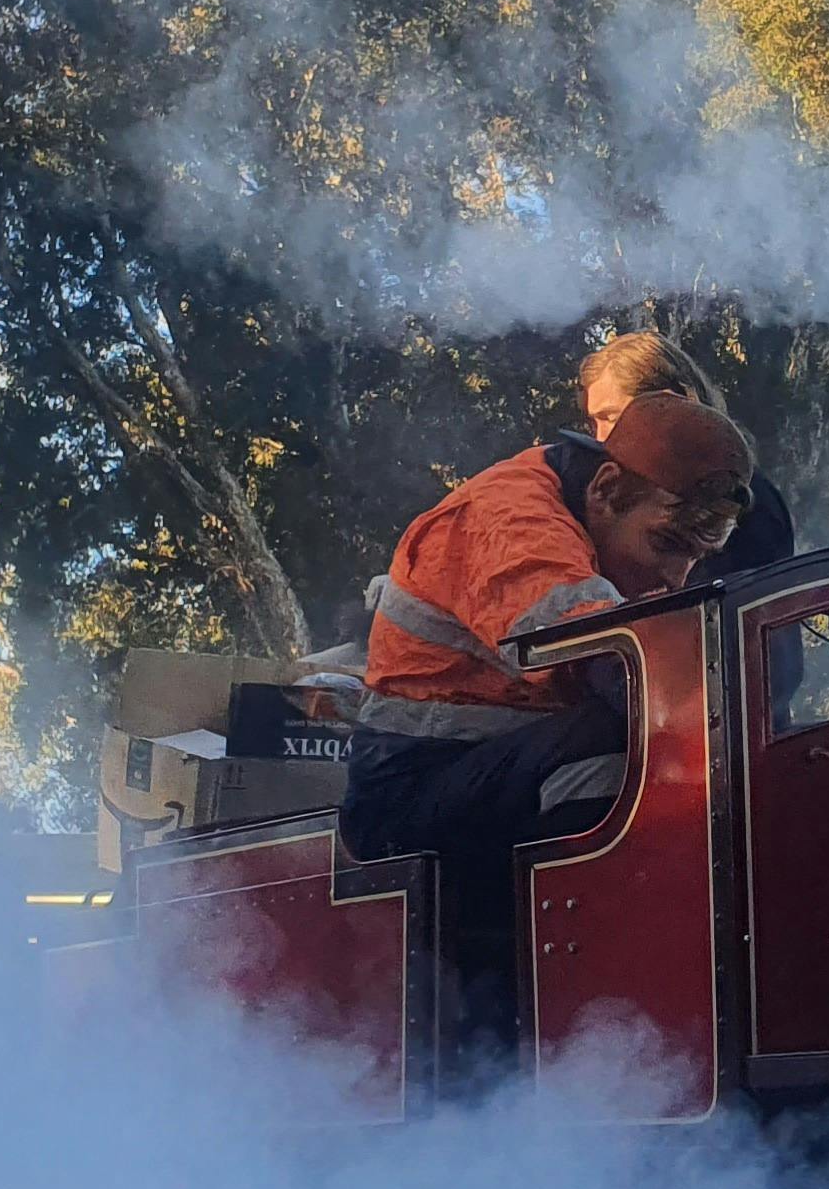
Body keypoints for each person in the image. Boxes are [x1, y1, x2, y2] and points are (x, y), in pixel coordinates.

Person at [338, 389, 759, 1063]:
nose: (675, 573)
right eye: (667, 544)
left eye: (694, 556)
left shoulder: (592, 514)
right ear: (607, 488)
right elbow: (613, 661)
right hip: (406, 799)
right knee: (621, 743)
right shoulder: (511, 520)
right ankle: (581, 1011)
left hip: (490, 775)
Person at [578, 332, 798, 575]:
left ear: (668, 400)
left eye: (611, 417)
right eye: (593, 423)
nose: (600, 438)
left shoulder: (747, 503)